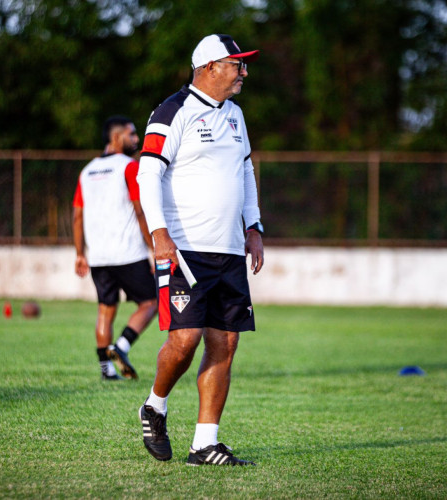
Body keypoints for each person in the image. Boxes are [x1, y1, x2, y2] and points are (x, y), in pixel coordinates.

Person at [136, 34, 264, 466]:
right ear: (210, 67)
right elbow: (146, 174)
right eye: (236, 65)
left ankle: (204, 443)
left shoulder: (236, 116)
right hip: (185, 250)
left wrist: (254, 225)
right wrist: (158, 232)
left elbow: (245, 172)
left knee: (225, 343)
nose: (243, 73)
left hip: (229, 250)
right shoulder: (174, 111)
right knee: (186, 339)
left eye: (243, 66)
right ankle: (155, 404)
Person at [73, 116, 158, 381]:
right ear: (117, 138)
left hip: (98, 256)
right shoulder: (129, 167)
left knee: (105, 310)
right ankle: (121, 347)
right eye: (132, 135)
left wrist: (79, 253)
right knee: (151, 302)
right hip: (128, 253)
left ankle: (106, 371)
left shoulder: (87, 171)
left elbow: (77, 215)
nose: (137, 140)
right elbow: (139, 209)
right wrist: (154, 247)